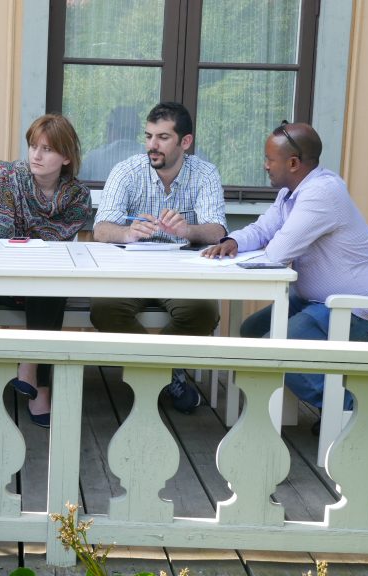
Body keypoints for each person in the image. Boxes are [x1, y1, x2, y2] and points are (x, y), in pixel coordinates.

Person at [202, 121, 368, 416]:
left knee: (278, 344)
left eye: (270, 159)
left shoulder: (322, 193)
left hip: (361, 310)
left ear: (294, 163)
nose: (265, 166)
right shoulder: (290, 192)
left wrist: (247, 254)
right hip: (318, 301)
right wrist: (233, 241)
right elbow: (263, 229)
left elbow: (277, 252)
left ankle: (355, 412)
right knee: (251, 331)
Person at [89, 101, 227, 413]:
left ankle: (150, 373)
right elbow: (101, 229)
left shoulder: (205, 174)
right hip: (130, 270)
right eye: (149, 136)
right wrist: (127, 233)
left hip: (182, 273)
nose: (152, 145)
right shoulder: (127, 170)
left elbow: (218, 231)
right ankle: (164, 374)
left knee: (204, 312)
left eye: (163, 137)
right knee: (104, 309)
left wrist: (188, 230)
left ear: (185, 142)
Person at [0, 113, 92, 427]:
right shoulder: (7, 178)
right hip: (3, 277)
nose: (36, 155)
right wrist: (36, 240)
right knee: (50, 284)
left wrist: (31, 239)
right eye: (32, 146)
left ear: (66, 157)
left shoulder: (78, 197)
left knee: (49, 283)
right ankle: (39, 385)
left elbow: (60, 245)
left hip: (45, 282)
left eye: (47, 149)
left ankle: (31, 370)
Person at [78, 105, 144, 181]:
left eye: (109, 126)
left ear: (115, 129)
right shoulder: (149, 158)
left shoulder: (94, 159)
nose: (106, 131)